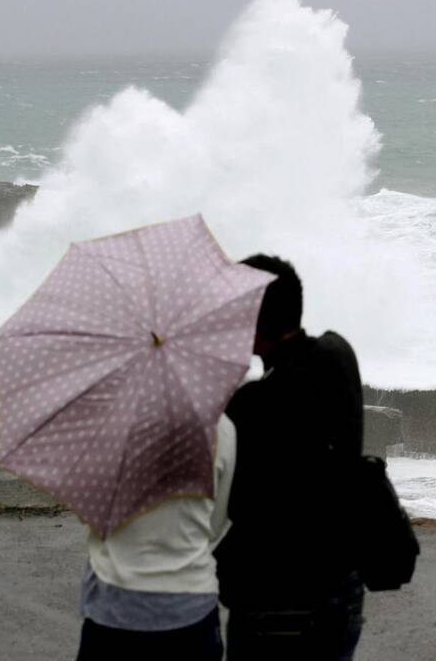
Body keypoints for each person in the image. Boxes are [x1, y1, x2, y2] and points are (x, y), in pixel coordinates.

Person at [216, 254, 365, 660]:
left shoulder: (251, 405)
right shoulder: (339, 355)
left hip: (276, 603)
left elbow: (234, 502)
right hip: (342, 588)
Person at [75, 413, 236, 660]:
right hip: (191, 602)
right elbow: (214, 524)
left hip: (115, 603)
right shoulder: (220, 426)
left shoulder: (106, 423)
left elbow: (87, 512)